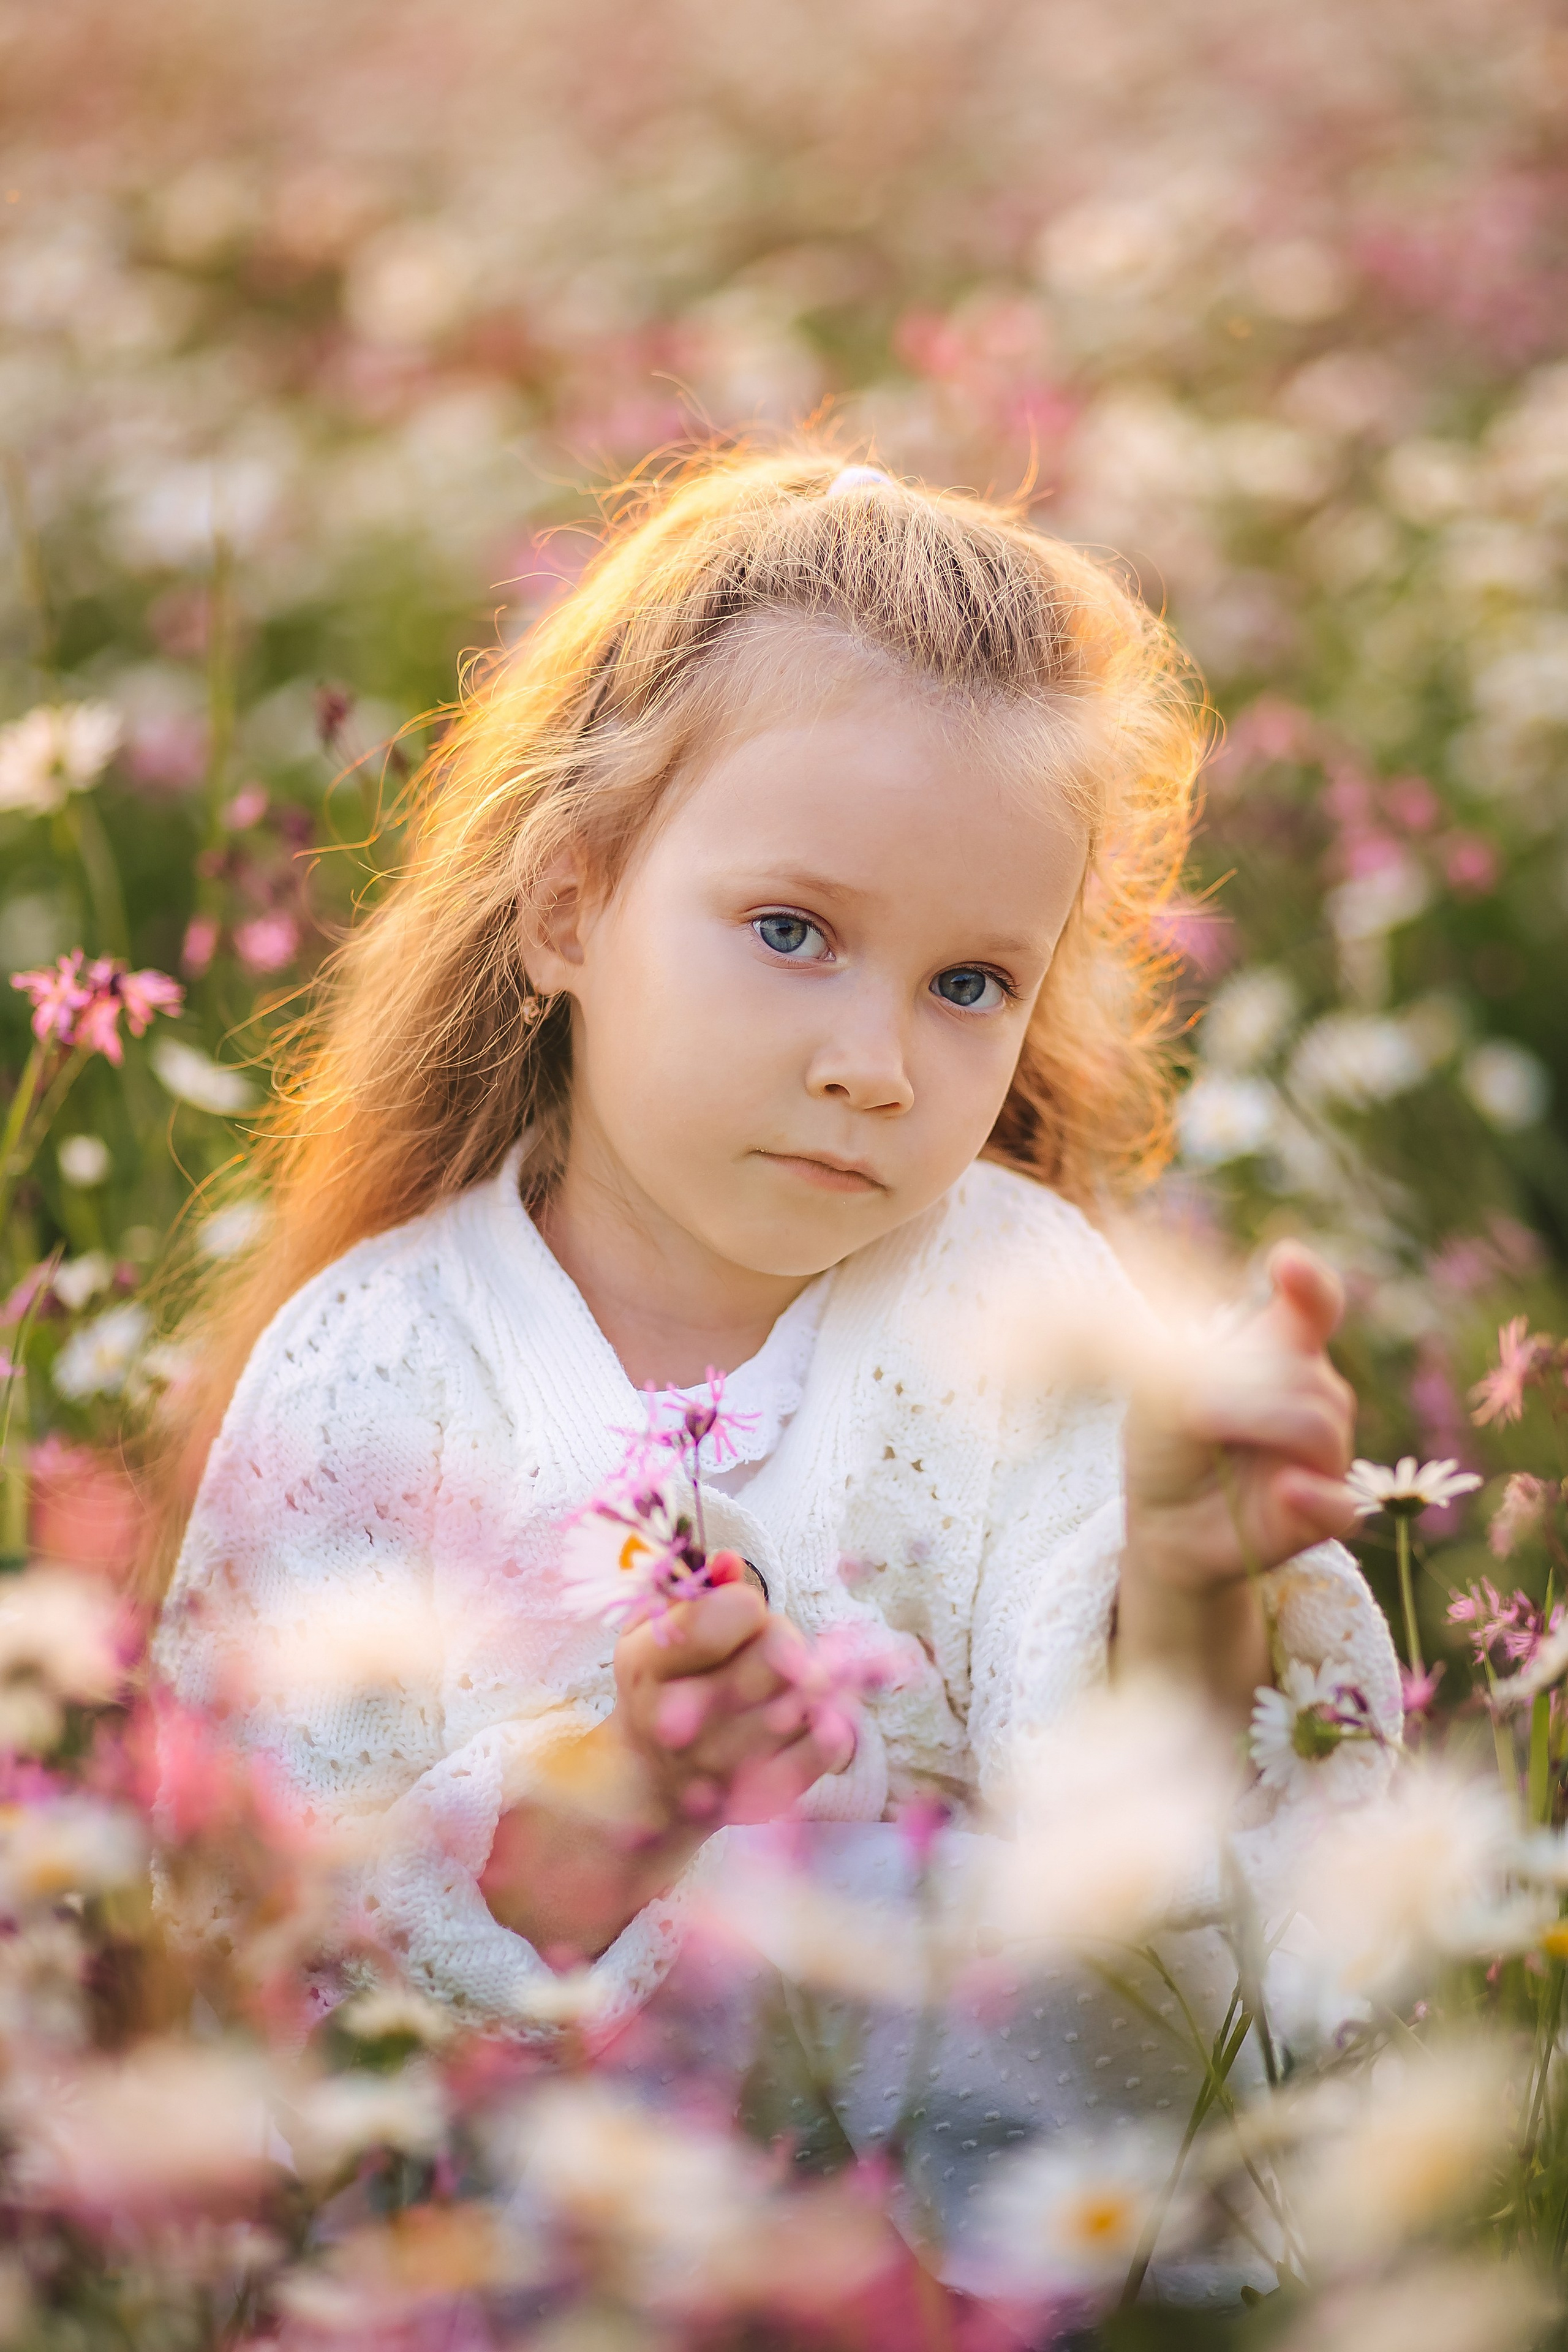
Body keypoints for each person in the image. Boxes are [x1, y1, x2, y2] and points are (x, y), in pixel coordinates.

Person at [151, 448, 1399, 2047]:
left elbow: (1152, 1861)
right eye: (792, 933)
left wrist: (1187, 1584)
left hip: (1005, 2254)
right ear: (568, 911)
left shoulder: (1023, 1308)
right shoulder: (373, 1368)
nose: (873, 1065)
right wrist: (614, 1810)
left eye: (969, 984)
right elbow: (256, 1940)